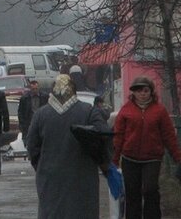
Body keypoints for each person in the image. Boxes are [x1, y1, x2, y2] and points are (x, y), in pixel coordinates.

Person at [26, 74, 107, 219]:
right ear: (74, 91)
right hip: (83, 177)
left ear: (52, 92)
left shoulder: (40, 115)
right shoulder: (88, 111)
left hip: (50, 178)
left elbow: (32, 147)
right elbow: (103, 137)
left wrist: (42, 167)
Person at [113, 76, 181, 219]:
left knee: (150, 190)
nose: (142, 94)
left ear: (151, 92)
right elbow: (118, 135)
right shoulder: (126, 110)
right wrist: (114, 159)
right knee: (132, 192)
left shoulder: (160, 111)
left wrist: (177, 156)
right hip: (129, 158)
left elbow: (168, 135)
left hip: (152, 158)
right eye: (138, 91)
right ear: (133, 93)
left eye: (145, 90)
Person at [18, 80, 49, 146]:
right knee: (28, 143)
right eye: (33, 89)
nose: (35, 90)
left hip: (41, 123)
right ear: (30, 89)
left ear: (39, 88)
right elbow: (20, 112)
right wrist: (22, 125)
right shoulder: (24, 98)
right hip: (28, 123)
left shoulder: (45, 96)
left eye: (36, 89)